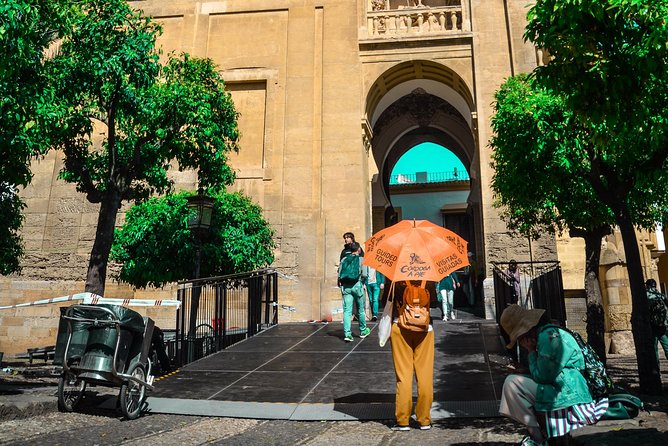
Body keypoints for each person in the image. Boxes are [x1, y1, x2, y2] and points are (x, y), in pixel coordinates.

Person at [498, 305, 608, 446]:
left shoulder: (548, 337)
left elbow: (544, 377)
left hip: (570, 393)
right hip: (567, 387)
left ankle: (538, 438)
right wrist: (526, 370)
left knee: (512, 384)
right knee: (514, 382)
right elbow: (548, 370)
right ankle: (539, 435)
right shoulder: (549, 333)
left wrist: (531, 352)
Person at [388, 280, 436, 431]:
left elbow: (387, 301)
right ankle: (424, 420)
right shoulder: (428, 276)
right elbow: (434, 302)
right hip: (424, 329)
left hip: (400, 327)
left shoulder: (395, 276)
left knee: (403, 376)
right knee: (425, 375)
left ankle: (402, 421)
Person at [338, 242, 370, 342]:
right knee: (360, 310)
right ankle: (363, 330)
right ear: (358, 249)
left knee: (347, 311)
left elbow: (339, 273)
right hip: (357, 285)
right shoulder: (361, 259)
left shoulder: (344, 259)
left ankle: (347, 334)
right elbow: (365, 274)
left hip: (346, 287)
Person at [646, 279, 668, 363]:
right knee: (667, 347)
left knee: (654, 350)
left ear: (647, 286)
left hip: (652, 326)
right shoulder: (661, 295)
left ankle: (656, 373)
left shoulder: (646, 296)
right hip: (662, 326)